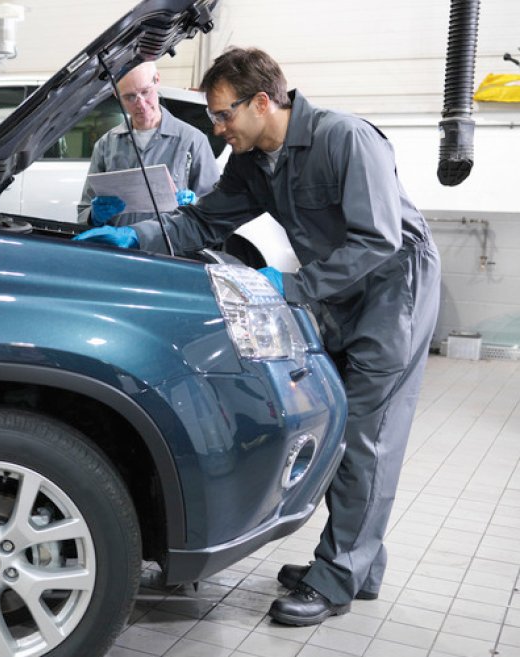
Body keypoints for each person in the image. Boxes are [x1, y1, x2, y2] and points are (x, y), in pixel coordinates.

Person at [75, 47, 441, 626]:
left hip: (395, 290)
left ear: (263, 102)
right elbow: (202, 220)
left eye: (223, 115)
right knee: (345, 423)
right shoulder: (255, 159)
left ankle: (338, 575)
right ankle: (358, 564)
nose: (216, 129)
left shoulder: (346, 139)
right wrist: (134, 237)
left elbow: (378, 241)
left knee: (368, 435)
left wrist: (291, 285)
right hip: (343, 291)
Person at [77, 60, 218, 227]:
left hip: (171, 250)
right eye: (129, 97)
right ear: (116, 94)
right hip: (120, 249)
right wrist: (94, 216)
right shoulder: (106, 145)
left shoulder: (193, 141)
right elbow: (84, 212)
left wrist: (197, 204)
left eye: (145, 92)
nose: (141, 105)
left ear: (157, 80)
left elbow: (215, 213)